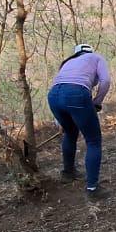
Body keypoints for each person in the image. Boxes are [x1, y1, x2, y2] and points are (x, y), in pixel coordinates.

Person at [47, 43, 111, 198]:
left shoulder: (68, 62)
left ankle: (68, 173)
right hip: (76, 94)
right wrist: (97, 101)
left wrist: (59, 120)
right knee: (93, 141)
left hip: (53, 95)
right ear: (90, 51)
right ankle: (92, 189)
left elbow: (62, 86)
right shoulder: (96, 57)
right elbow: (106, 81)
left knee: (70, 133)